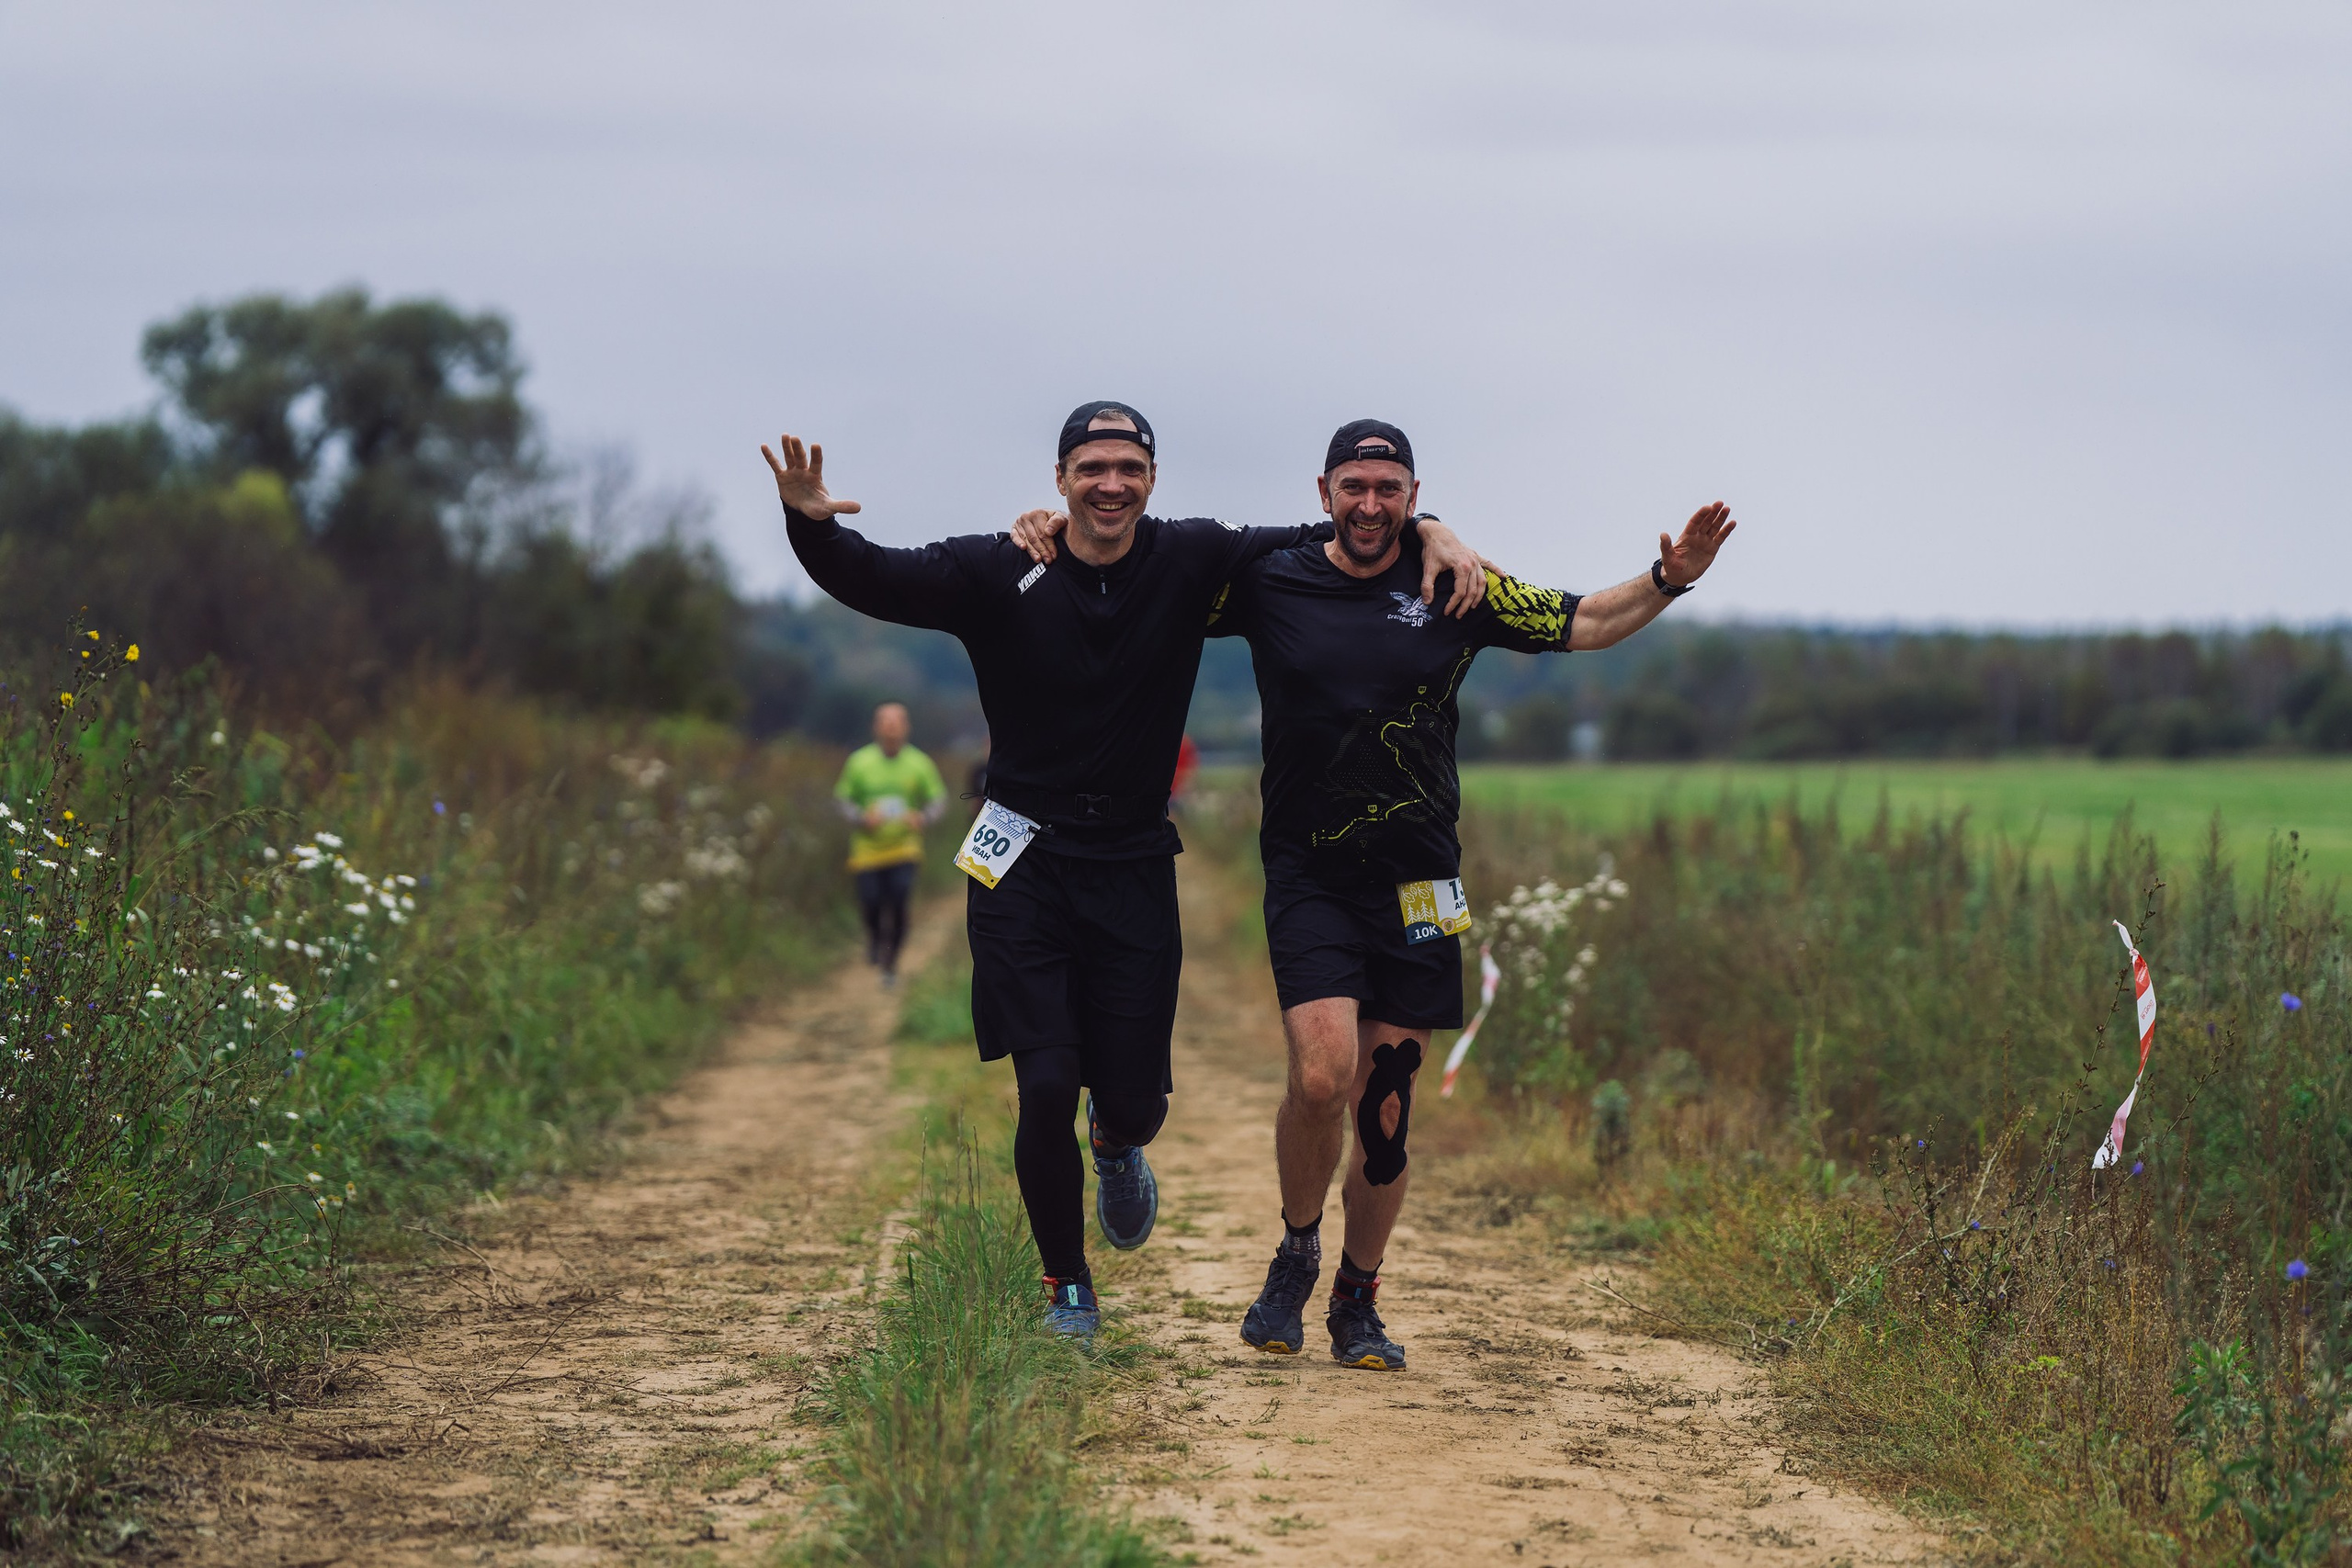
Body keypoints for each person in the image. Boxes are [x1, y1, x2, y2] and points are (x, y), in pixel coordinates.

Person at [763, 404, 1490, 1340]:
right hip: (1021, 858)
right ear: (1060, 477)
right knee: (1043, 1083)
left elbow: (1348, 528)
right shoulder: (998, 566)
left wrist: (1434, 527)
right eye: (1092, 467)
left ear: (1151, 480)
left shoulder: (1189, 557)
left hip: (1134, 863)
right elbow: (875, 576)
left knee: (1136, 1104)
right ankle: (1066, 1284)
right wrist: (809, 524)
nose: (1111, 484)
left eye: (1129, 468)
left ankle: (1117, 1141)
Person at [1220, 420, 1736, 1371]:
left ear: (1413, 496)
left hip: (1420, 883)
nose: (1370, 504)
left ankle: (1357, 1299)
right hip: (1310, 874)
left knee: (1385, 1107)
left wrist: (1668, 579)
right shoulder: (1271, 579)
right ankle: (1296, 1249)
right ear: (1324, 491)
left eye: (1389, 489)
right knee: (1322, 1077)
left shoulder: (1454, 585)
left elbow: (1581, 621)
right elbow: (1148, 583)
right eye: (1353, 486)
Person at [833, 701, 948, 987]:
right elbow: (842, 800)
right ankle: (874, 938)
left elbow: (938, 800)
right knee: (870, 902)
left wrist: (923, 817)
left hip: (905, 848)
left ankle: (891, 961)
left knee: (898, 902)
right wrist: (860, 818)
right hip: (867, 849)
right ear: (876, 727)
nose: (891, 729)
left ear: (906, 727)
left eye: (896, 723)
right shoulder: (859, 762)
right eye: (886, 723)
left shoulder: (920, 763)